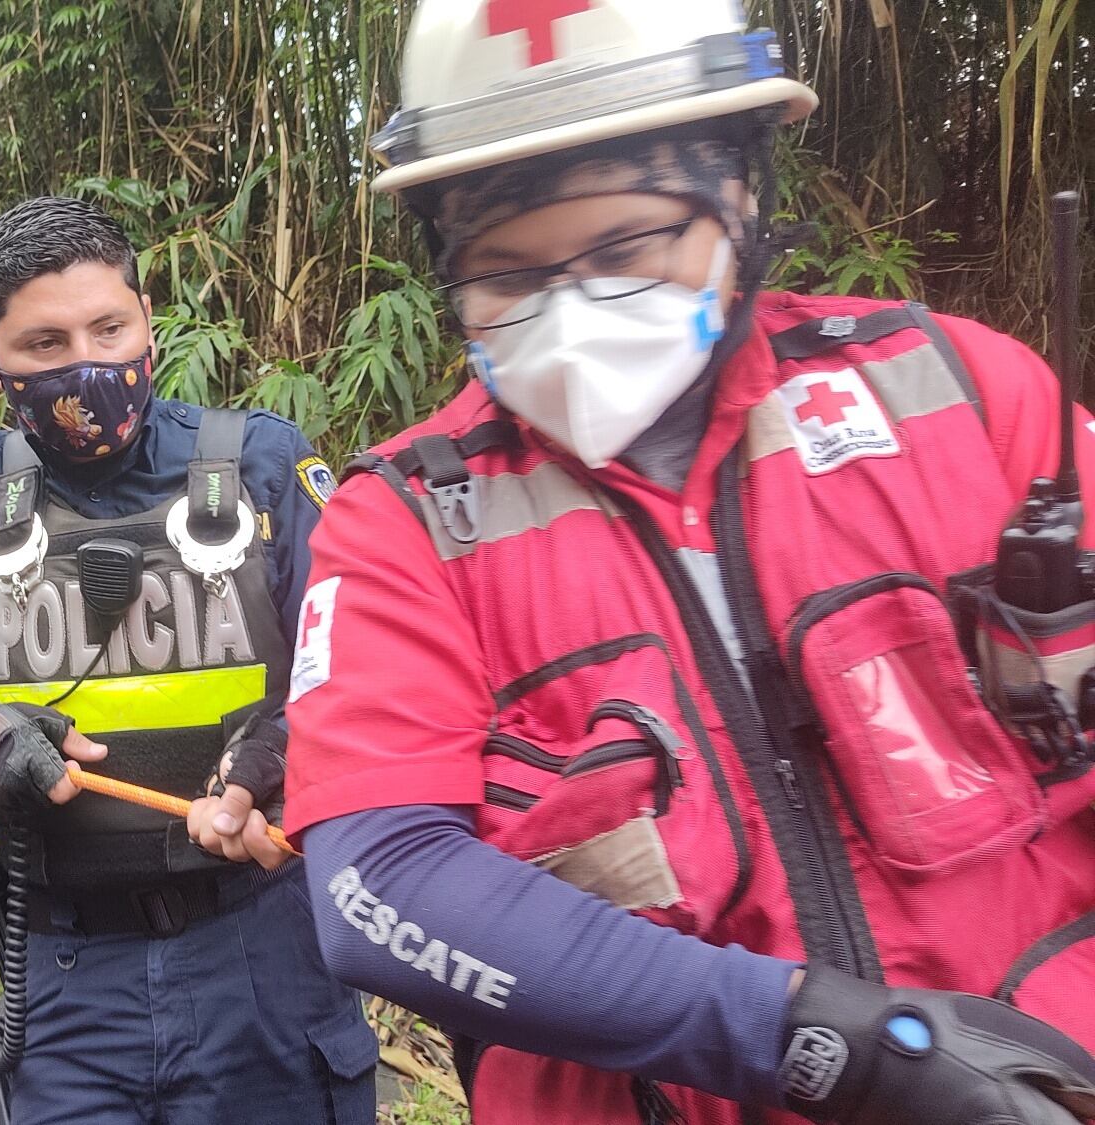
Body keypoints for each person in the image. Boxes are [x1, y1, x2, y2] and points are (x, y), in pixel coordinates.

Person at [284, 4, 1095, 1124]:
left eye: (625, 249)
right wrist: (819, 1042)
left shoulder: (957, 395)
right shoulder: (408, 521)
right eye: (506, 277)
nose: (570, 312)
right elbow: (378, 882)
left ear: (741, 198)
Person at [0, 196, 377, 1124]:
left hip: (262, 960)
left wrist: (290, 748)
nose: (88, 365)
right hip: (63, 978)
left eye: (111, 327)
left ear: (148, 320)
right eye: (46, 344)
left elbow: (371, 665)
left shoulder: (264, 464)